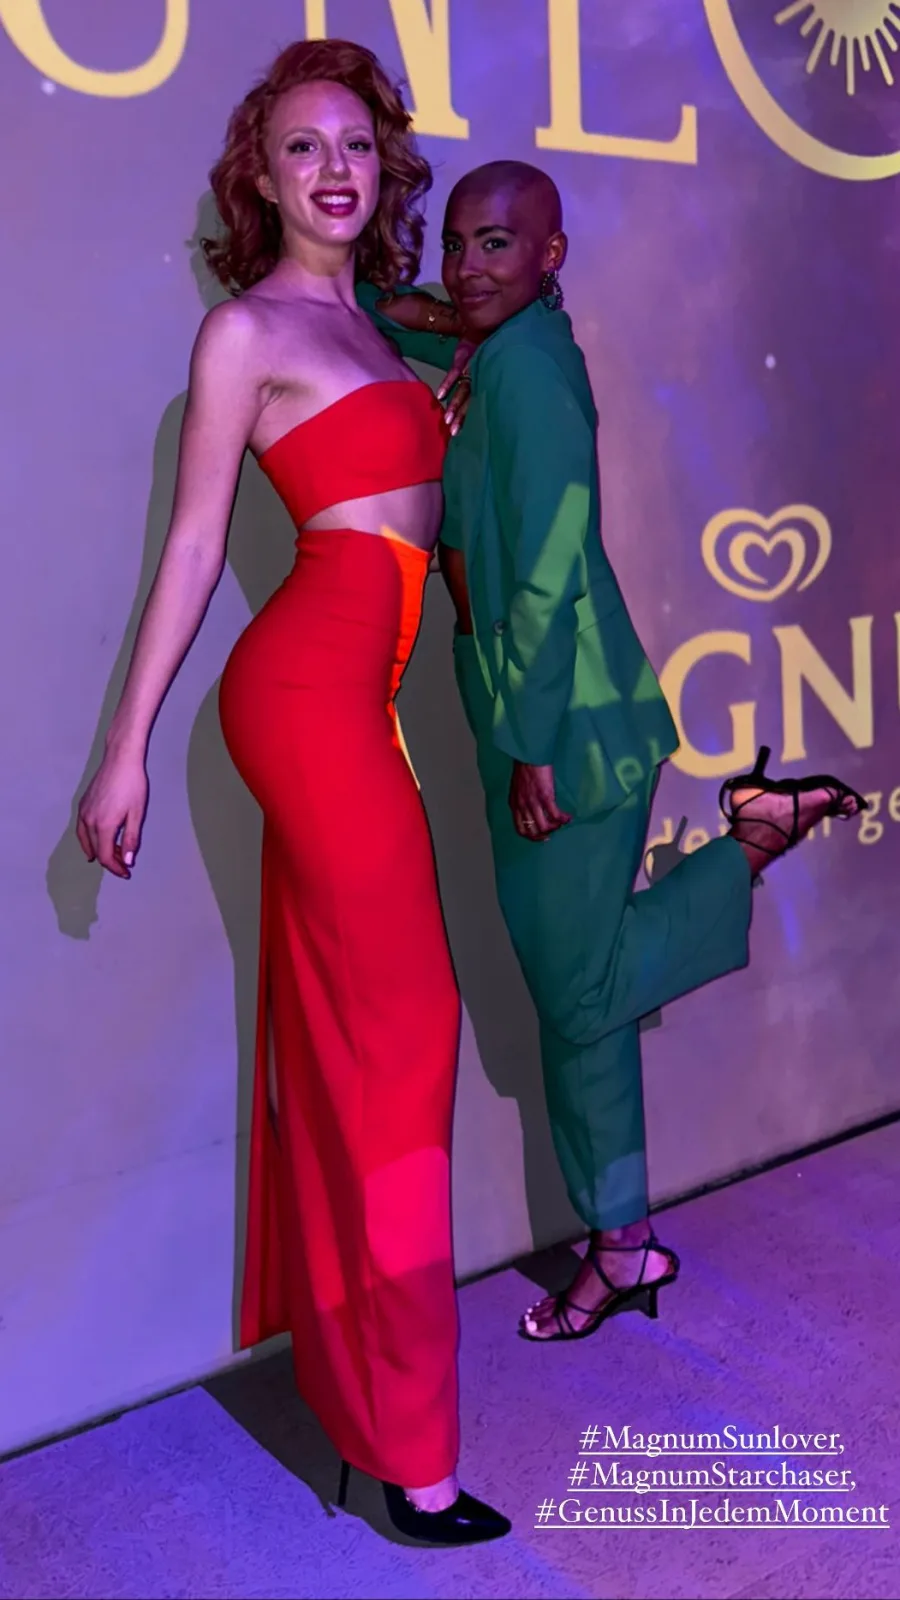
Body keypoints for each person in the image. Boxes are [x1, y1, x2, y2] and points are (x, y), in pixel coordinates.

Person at [74, 40, 509, 1545]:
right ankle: (411, 1451)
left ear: (385, 168)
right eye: (303, 148)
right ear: (259, 179)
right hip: (307, 697)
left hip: (362, 703)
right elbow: (196, 547)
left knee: (376, 1045)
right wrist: (126, 746)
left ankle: (375, 1405)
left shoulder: (380, 332)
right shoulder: (247, 332)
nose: (335, 168)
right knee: (401, 1035)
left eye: (357, 145)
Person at [364, 160, 866, 1343]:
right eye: (456, 244)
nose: (467, 266)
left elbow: (548, 565)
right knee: (579, 1002)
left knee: (577, 996)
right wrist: (404, 299)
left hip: (564, 724)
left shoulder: (527, 372)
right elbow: (393, 313)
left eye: (497, 244)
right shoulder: (502, 345)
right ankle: (625, 1241)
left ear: (552, 254)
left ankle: (751, 844)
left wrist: (531, 740)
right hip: (535, 710)